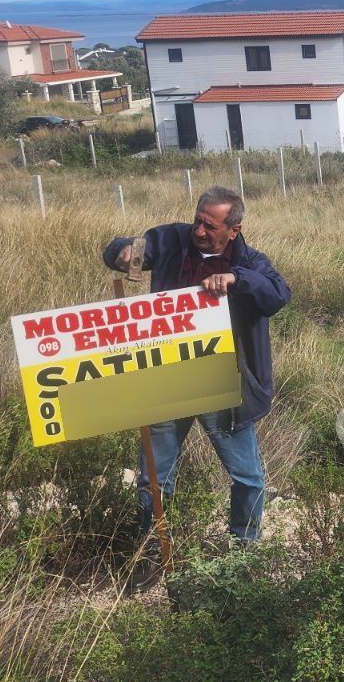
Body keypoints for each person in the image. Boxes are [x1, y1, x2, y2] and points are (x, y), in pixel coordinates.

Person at [103, 185, 290, 554]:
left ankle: (244, 551)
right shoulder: (172, 240)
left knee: (248, 478)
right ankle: (153, 551)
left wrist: (237, 280)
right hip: (167, 377)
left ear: (233, 230)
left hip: (222, 382)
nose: (199, 231)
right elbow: (126, 247)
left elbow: (278, 294)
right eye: (197, 221)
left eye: (210, 225)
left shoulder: (251, 263)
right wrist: (122, 251)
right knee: (154, 478)